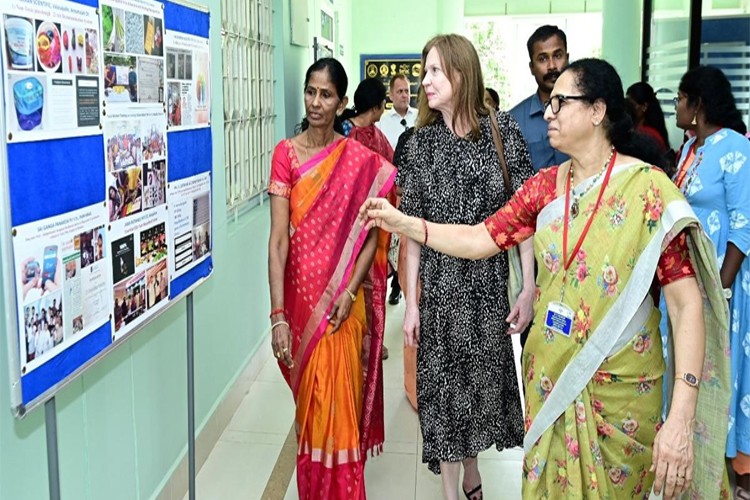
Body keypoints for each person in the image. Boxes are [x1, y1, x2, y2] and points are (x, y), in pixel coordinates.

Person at [360, 58, 731, 500]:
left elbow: (686, 305)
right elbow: (481, 237)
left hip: (623, 392)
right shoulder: (544, 188)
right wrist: (405, 224)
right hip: (552, 380)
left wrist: (683, 413)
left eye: (560, 102)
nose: (548, 112)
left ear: (597, 111)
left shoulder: (648, 191)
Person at [397, 34, 535, 500]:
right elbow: (411, 231)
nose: (425, 81)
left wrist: (528, 286)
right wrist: (411, 304)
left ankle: (472, 475)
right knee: (442, 398)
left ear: (461, 73)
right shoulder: (418, 145)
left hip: (486, 291)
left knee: (474, 395)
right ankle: (454, 492)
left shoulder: (504, 133)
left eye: (435, 71)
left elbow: (524, 217)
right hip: (439, 291)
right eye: (424, 71)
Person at [267, 58, 395, 499]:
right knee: (311, 417)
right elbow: (278, 242)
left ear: (341, 103)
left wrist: (352, 287)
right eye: (310, 91)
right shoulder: (285, 155)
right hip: (302, 307)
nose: (316, 102)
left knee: (338, 415)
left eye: (326, 95)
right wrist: (278, 315)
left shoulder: (358, 161)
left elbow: (373, 230)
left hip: (342, 306)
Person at [670, 65, 750, 499]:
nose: (676, 105)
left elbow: (743, 228)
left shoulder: (736, 148)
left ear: (697, 104)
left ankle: (731, 475)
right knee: (689, 371)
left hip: (721, 286)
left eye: (681, 97)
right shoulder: (688, 151)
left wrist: (719, 289)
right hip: (685, 282)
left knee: (721, 372)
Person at [510, 25, 570, 171]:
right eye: (542, 59)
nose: (551, 66)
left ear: (567, 58)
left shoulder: (586, 111)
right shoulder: (513, 120)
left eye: (557, 56)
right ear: (531, 67)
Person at [626, 81, 670, 153]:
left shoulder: (647, 135)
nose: (627, 108)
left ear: (644, 106)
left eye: (631, 104)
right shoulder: (638, 131)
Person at [377, 74, 418, 149]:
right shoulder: (381, 122)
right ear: (391, 96)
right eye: (400, 91)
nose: (404, 95)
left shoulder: (419, 116)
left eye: (407, 91)